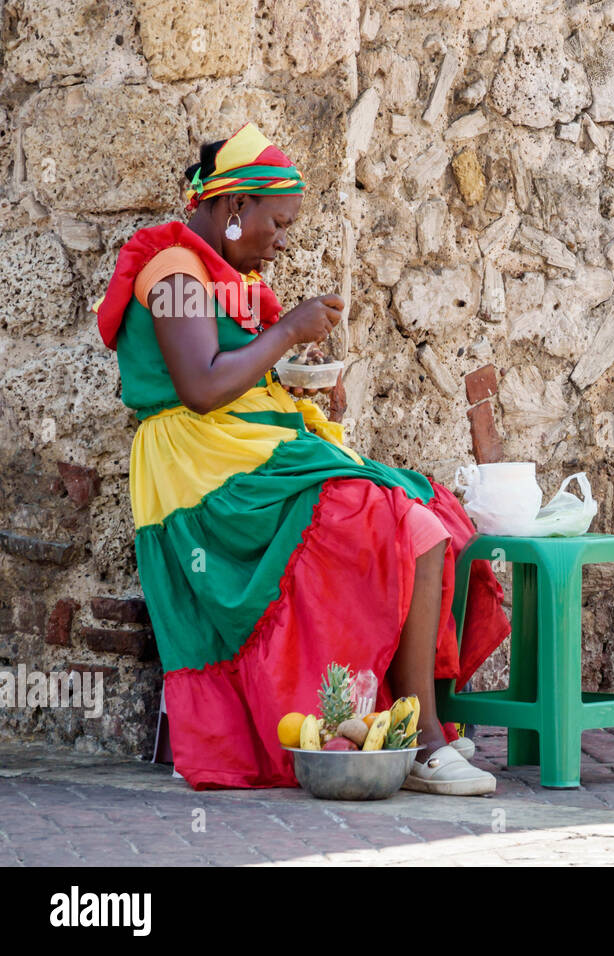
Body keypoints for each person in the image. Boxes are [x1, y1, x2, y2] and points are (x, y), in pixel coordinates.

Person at [93, 122, 508, 795]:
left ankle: (407, 735)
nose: (283, 242)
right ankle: (423, 744)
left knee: (420, 513)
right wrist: (288, 330)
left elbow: (231, 374)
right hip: (202, 476)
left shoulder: (223, 273)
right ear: (234, 209)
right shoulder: (171, 270)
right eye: (278, 224)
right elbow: (199, 387)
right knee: (382, 516)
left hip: (248, 452)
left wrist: (288, 382)